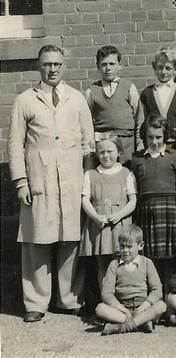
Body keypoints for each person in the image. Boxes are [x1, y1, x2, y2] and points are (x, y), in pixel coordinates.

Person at [8, 44, 94, 322]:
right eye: (47, 64)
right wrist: (21, 181)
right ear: (39, 66)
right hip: (38, 178)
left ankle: (69, 299)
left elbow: (87, 142)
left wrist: (88, 181)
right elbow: (14, 144)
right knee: (37, 240)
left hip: (71, 177)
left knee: (71, 238)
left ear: (64, 66)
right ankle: (36, 301)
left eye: (57, 64)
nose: (53, 69)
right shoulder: (25, 100)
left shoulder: (76, 98)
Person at [129, 114, 176, 293]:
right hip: (147, 210)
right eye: (150, 137)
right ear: (144, 136)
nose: (154, 141)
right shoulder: (137, 159)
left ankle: (169, 297)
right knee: (149, 256)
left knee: (169, 257)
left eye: (158, 137)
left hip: (169, 211)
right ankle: (153, 295)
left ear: (165, 136)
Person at [80, 136, 137, 292]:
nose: (106, 156)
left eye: (110, 151)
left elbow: (133, 200)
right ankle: (106, 298)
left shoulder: (126, 173)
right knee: (102, 265)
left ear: (118, 152)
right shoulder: (90, 174)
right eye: (101, 152)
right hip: (100, 225)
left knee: (122, 261)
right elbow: (85, 199)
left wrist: (119, 215)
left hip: (120, 225)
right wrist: (96, 218)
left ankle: (123, 297)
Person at [96, 224, 167, 335]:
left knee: (161, 306)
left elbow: (157, 290)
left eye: (129, 247)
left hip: (143, 306)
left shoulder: (147, 263)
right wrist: (122, 309)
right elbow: (106, 294)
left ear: (141, 246)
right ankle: (141, 323)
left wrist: (143, 307)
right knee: (100, 308)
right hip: (121, 309)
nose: (124, 250)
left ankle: (123, 327)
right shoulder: (114, 265)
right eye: (122, 246)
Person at [85, 45, 144, 165]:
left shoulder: (129, 87)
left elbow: (139, 118)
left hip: (127, 146)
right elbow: (87, 123)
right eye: (104, 64)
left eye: (112, 64)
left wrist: (139, 145)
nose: (108, 68)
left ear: (120, 65)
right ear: (98, 66)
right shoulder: (92, 91)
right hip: (103, 148)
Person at [139, 47, 176, 147]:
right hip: (154, 146)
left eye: (168, 68)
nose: (164, 72)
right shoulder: (147, 93)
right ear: (154, 66)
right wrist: (141, 148)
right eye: (160, 67)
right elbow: (141, 123)